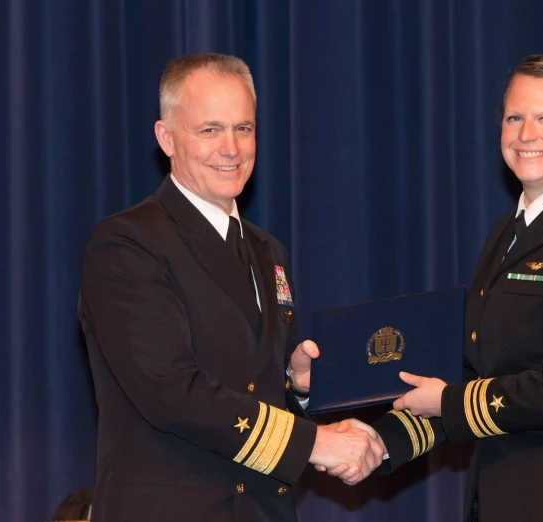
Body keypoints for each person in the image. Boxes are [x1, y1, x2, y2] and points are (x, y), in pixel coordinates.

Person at [331, 54, 543, 521]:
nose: (526, 134)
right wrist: (379, 439)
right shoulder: (507, 234)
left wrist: (449, 403)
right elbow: (472, 372)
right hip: (508, 497)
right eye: (514, 117)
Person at [78, 53, 383, 522]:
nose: (232, 148)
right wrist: (318, 443)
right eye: (210, 130)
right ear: (166, 138)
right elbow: (171, 392)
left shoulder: (268, 251)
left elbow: (252, 388)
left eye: (244, 128)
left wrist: (297, 386)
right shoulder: (127, 243)